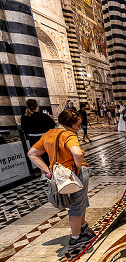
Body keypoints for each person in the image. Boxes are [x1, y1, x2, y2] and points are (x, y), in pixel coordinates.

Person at [27, 108, 95, 249]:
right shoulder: (69, 135)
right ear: (69, 124)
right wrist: (77, 167)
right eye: (77, 125)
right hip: (75, 173)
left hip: (59, 174)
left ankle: (82, 226)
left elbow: (32, 154)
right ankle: (76, 237)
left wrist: (47, 171)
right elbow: (77, 153)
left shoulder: (48, 134)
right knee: (77, 205)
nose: (78, 128)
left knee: (81, 201)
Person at [21, 99, 56, 168]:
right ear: (37, 106)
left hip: (33, 139)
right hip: (44, 138)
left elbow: (24, 129)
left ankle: (44, 172)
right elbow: (52, 125)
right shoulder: (43, 116)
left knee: (38, 156)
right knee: (48, 155)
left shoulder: (24, 117)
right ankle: (51, 169)